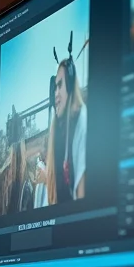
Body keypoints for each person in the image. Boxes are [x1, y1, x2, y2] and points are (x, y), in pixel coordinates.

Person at [46, 55, 87, 205]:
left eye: (60, 86)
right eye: (55, 88)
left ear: (70, 86)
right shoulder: (59, 129)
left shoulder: (82, 123)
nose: (56, 93)